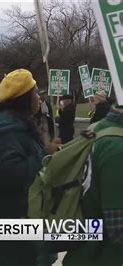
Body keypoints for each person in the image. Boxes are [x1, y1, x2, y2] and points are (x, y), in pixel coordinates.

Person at [0, 69, 60, 266]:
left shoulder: (10, 124)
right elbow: (10, 174)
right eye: (35, 92)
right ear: (24, 98)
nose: (38, 97)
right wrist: (46, 155)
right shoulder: (6, 131)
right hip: (8, 240)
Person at [63, 106, 123, 266]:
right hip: (104, 257)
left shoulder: (94, 128)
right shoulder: (118, 148)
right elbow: (119, 228)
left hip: (83, 251)